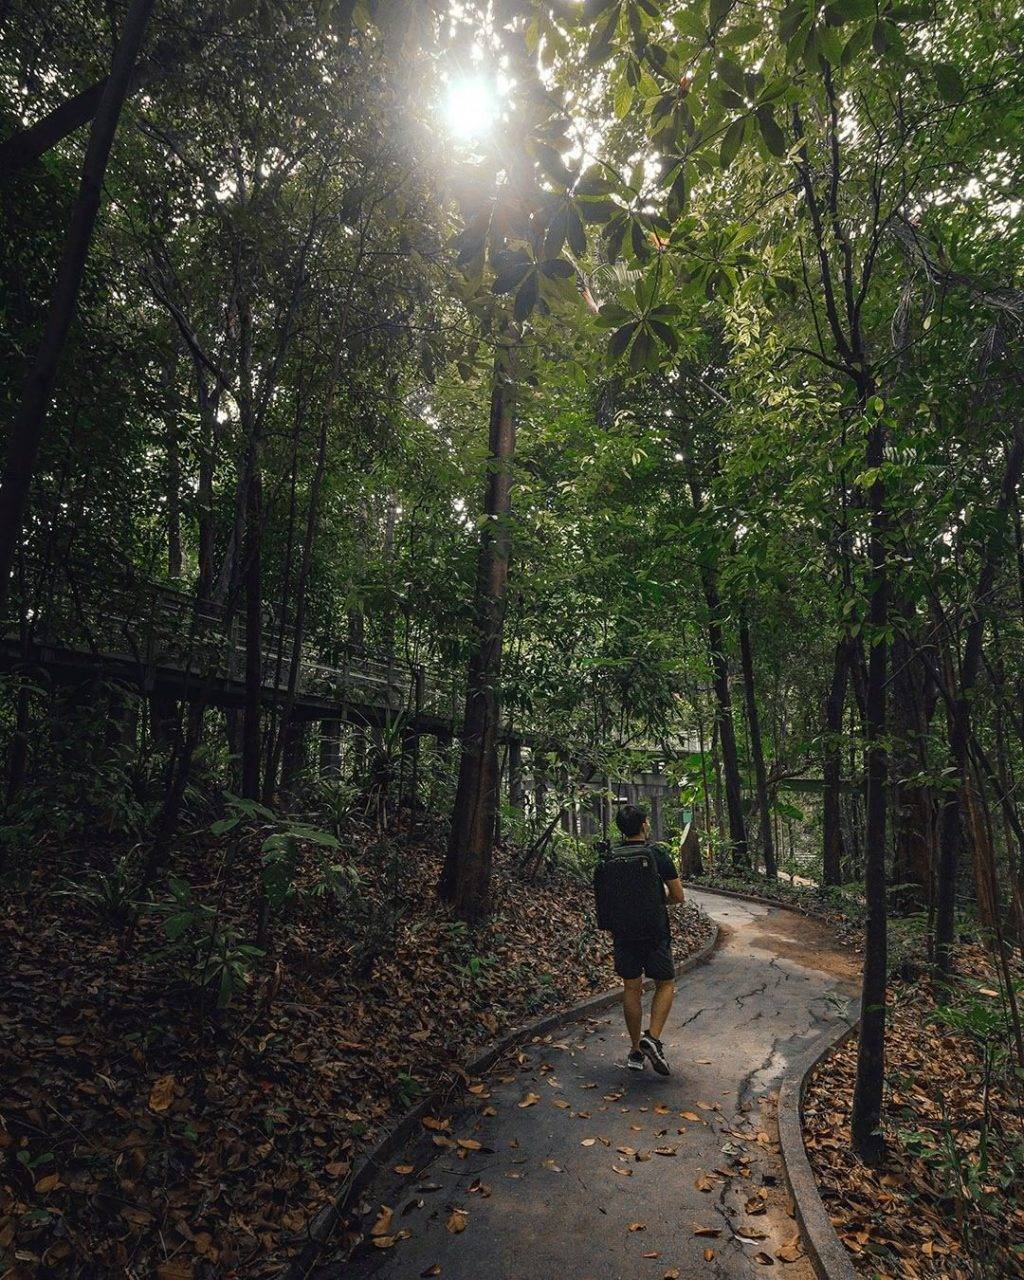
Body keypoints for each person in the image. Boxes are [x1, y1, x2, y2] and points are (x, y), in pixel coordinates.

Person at [608, 803, 686, 1075]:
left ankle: (635, 1052)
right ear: (643, 826)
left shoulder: (612, 856)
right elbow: (678, 896)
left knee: (631, 988)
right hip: (654, 932)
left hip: (623, 932)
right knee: (665, 982)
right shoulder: (657, 854)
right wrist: (655, 903)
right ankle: (651, 1037)